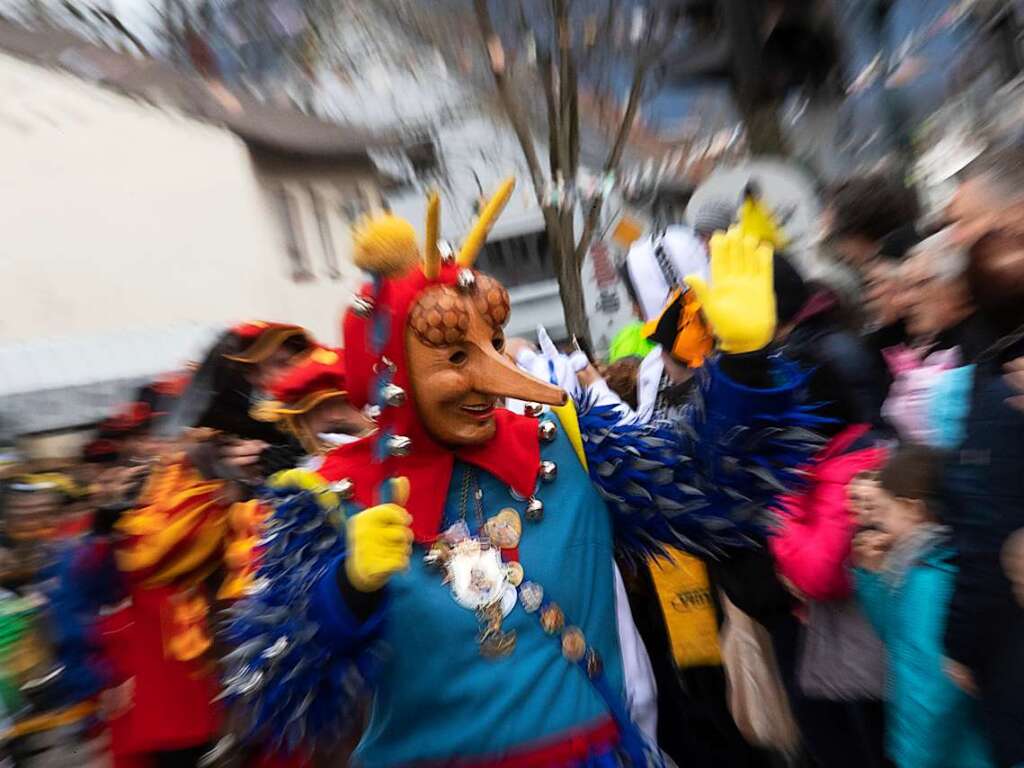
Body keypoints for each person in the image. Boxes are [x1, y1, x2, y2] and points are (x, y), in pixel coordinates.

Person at [222, 186, 823, 766]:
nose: (496, 373)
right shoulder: (323, 498)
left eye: (493, 340)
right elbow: (272, 689)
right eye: (457, 357)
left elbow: (716, 494)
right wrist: (344, 591)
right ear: (391, 373)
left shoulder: (565, 440)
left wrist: (744, 367)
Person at [853, 445, 995, 768]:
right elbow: (897, 638)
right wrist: (872, 578)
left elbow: (929, 690)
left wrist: (913, 759)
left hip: (958, 755)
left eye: (884, 512)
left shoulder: (929, 581)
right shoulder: (919, 567)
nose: (879, 525)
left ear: (913, 510)